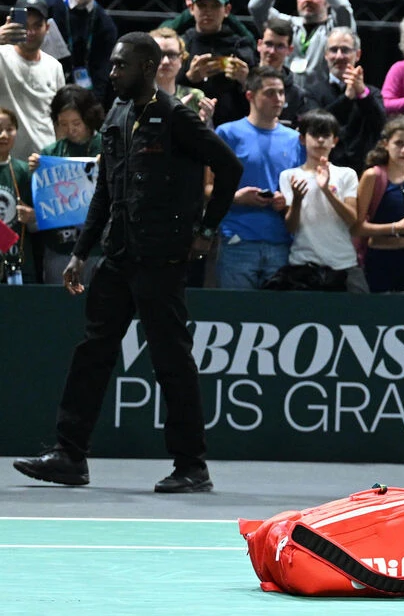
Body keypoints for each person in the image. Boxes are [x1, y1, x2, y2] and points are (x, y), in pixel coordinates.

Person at [12, 32, 241, 493]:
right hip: (117, 255)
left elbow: (230, 168)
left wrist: (206, 231)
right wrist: (81, 251)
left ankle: (192, 466)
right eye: (112, 65)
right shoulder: (116, 114)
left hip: (161, 258)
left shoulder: (176, 117)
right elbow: (105, 191)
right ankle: (69, 455)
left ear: (150, 67)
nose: (112, 73)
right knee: (92, 351)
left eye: (121, 67)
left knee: (170, 359)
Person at [214, 67, 299, 289]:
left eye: (281, 93)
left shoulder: (295, 140)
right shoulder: (227, 134)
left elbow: (302, 193)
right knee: (235, 316)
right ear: (250, 95)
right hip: (237, 241)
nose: (278, 99)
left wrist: (287, 201)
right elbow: (206, 188)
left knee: (278, 319)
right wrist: (237, 197)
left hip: (281, 242)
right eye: (270, 93)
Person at [276, 110, 366, 292]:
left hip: (343, 263)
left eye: (326, 136)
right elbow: (291, 227)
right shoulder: (289, 176)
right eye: (315, 135)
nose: (320, 141)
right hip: (303, 264)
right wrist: (297, 200)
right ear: (302, 139)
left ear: (334, 141)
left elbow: (351, 219)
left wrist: (326, 190)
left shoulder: (346, 174)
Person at [26, 86, 104, 286]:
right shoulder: (50, 153)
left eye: (76, 123)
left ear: (89, 118)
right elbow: (40, 205)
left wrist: (109, 165)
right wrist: (36, 171)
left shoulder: (105, 146)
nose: (70, 130)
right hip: (59, 249)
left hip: (98, 248)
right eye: (63, 124)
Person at [356, 116, 404, 293]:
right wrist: (395, 228)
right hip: (380, 258)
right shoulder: (373, 176)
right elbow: (357, 227)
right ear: (385, 144)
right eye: (398, 143)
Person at [42, 0, 119, 105]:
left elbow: (102, 74)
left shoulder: (106, 24)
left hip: (80, 99)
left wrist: (92, 112)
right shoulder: (45, 6)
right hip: (43, 88)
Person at [301, 27, 386, 173]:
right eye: (333, 50)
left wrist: (361, 94)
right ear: (326, 55)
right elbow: (315, 125)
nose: (339, 56)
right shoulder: (312, 91)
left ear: (357, 54)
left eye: (345, 50)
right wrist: (347, 98)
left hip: (364, 173)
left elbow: (381, 125)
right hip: (323, 171)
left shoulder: (372, 93)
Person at [180, 0, 257, 128]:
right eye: (202, 5)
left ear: (227, 10)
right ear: (191, 8)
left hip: (232, 124)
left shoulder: (240, 45)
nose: (208, 11)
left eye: (215, 6)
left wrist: (245, 80)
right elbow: (165, 87)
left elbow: (259, 91)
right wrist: (189, 78)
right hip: (188, 125)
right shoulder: (181, 45)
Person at [0, 0, 66, 161]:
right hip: (7, 162)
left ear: (47, 28)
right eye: (24, 25)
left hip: (43, 161)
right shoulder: (1, 55)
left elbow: (60, 118)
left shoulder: (54, 67)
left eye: (37, 25)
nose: (31, 32)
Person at [0, 107, 35, 284]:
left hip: (18, 260)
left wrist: (32, 216)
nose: (3, 135)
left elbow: (38, 222)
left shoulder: (23, 171)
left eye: (9, 129)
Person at [150, 27, 214, 122]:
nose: (166, 61)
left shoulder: (195, 97)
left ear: (181, 59)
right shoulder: (135, 98)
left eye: (172, 55)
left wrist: (202, 123)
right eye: (159, 54)